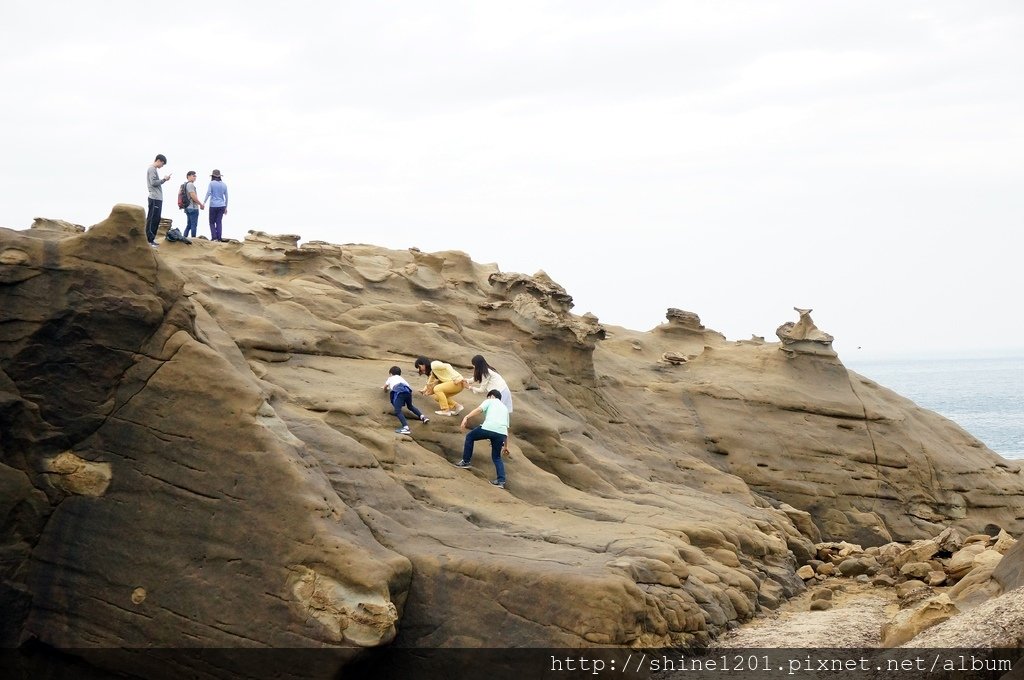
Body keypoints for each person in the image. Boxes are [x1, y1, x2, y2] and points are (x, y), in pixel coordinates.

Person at [455, 390, 510, 489]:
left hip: (488, 428)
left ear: (492, 396)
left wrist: (466, 417)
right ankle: (501, 481)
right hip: (501, 433)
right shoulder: (505, 408)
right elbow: (505, 428)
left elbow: (479, 409)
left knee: (470, 437)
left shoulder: (490, 401)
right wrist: (506, 446)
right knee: (497, 457)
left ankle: (466, 462)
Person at [464, 354, 513, 454]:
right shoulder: (485, 370)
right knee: (499, 415)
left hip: (501, 392)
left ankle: (500, 440)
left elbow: (482, 389)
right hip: (502, 391)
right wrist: (467, 380)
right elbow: (475, 378)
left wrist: (469, 387)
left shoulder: (486, 373)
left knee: (497, 415)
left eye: (474, 365)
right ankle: (499, 439)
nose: (473, 367)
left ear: (478, 365)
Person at [382, 366, 429, 434]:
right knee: (410, 406)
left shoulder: (390, 378)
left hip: (399, 391)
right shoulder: (402, 378)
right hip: (408, 391)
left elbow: (385, 387)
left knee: (397, 411)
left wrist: (386, 390)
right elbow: (407, 386)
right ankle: (423, 417)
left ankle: (405, 427)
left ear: (391, 373)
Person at [146, 154, 171, 247]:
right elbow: (153, 182)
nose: (162, 166)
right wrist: (164, 179)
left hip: (157, 198)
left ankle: (151, 240)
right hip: (154, 198)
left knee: (156, 219)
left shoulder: (153, 169)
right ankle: (149, 240)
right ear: (159, 160)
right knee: (153, 219)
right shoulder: (152, 169)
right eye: (162, 164)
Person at [204, 169, 228, 241]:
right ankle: (219, 238)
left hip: (213, 205)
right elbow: (226, 197)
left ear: (213, 176)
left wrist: (204, 202)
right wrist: (226, 207)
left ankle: (214, 238)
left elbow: (208, 193)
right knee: (219, 222)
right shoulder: (224, 184)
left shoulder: (211, 183)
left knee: (211, 222)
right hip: (222, 205)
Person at [182, 171, 205, 239]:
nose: (195, 177)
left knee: (189, 225)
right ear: (188, 176)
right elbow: (193, 196)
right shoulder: (190, 185)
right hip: (193, 208)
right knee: (193, 225)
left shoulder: (185, 185)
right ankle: (194, 240)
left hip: (187, 207)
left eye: (195, 176)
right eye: (193, 175)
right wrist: (200, 204)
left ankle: (184, 237)